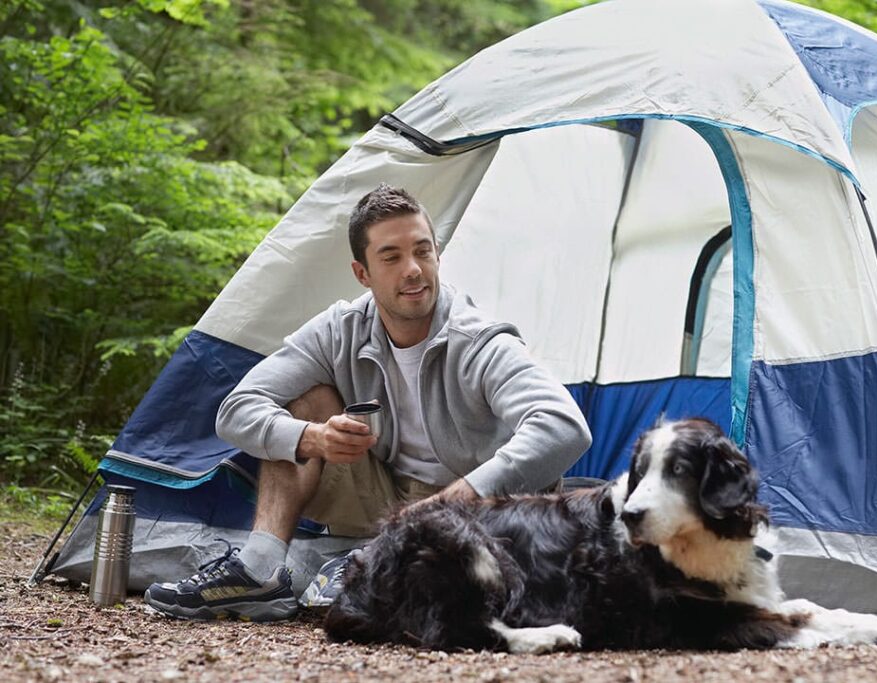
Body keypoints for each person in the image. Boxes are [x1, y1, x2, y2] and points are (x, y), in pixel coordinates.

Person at [143, 184, 592, 621]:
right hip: (386, 493)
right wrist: (312, 437)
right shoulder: (341, 329)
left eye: (422, 251)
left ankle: (370, 563)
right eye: (391, 257)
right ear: (363, 273)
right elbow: (237, 409)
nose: (413, 269)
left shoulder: (477, 341)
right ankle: (259, 572)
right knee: (302, 404)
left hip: (477, 510)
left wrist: (458, 499)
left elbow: (564, 426)